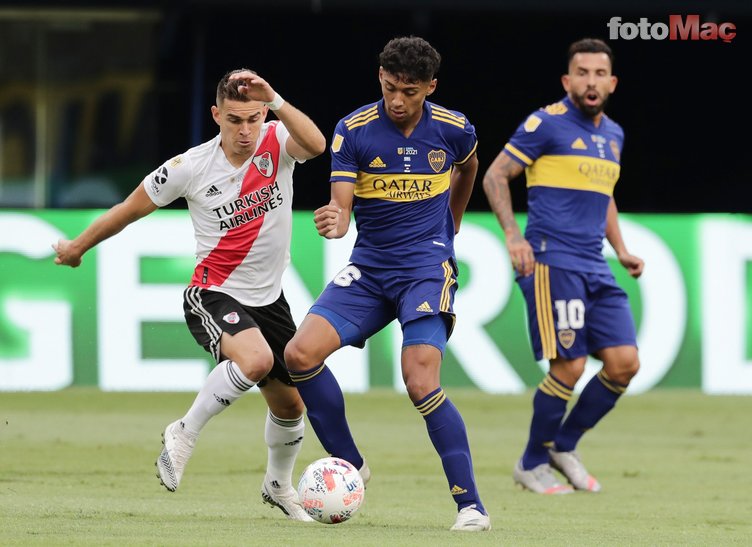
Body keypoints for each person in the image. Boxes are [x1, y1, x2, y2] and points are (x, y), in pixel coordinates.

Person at [53, 69, 326, 520]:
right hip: (213, 292)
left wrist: (276, 99)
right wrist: (78, 247)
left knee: (290, 404)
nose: (245, 131)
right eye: (234, 120)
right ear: (216, 115)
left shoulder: (278, 139)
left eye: (253, 119)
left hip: (270, 299)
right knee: (255, 360)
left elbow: (316, 146)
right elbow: (128, 209)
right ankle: (184, 431)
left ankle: (278, 485)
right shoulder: (190, 167)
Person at [283, 36, 491, 532]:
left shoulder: (454, 128)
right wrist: (335, 219)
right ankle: (352, 466)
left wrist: (453, 223)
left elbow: (469, 167)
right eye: (391, 87)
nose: (398, 100)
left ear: (430, 87)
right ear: (380, 76)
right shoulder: (353, 130)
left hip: (425, 269)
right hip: (371, 269)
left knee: (420, 380)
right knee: (298, 354)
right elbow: (341, 204)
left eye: (410, 92)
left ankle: (471, 507)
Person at [482, 38, 643, 494]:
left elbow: (604, 196)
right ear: (567, 80)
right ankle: (532, 463)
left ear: (612, 83)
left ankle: (563, 445)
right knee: (569, 367)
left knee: (624, 363)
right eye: (582, 73)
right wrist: (513, 236)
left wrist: (621, 248)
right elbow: (495, 175)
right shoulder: (545, 123)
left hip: (595, 263)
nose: (591, 81)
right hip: (551, 260)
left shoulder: (614, 135)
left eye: (599, 74)